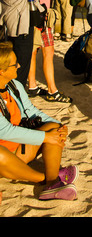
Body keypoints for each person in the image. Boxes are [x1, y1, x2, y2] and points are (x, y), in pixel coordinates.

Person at [0, 41, 78, 200]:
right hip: (4, 157)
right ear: (1, 71)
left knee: (53, 128)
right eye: (15, 64)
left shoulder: (14, 86)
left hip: (17, 150)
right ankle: (46, 178)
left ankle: (52, 183)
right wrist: (45, 137)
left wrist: (59, 126)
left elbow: (30, 111)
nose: (19, 66)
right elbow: (5, 131)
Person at [22, 0, 72, 103]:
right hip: (38, 16)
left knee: (38, 52)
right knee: (42, 53)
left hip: (41, 15)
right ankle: (51, 90)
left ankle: (33, 86)